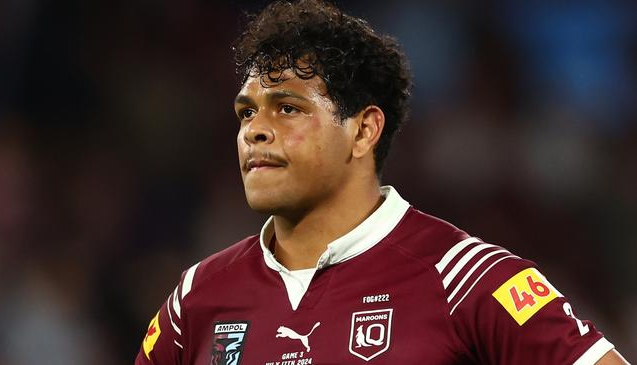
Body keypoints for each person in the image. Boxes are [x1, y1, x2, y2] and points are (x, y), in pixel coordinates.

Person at [135, 1, 629, 364]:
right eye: (247, 112)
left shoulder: (467, 279)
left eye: (288, 108)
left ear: (363, 130)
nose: (254, 131)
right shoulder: (197, 298)